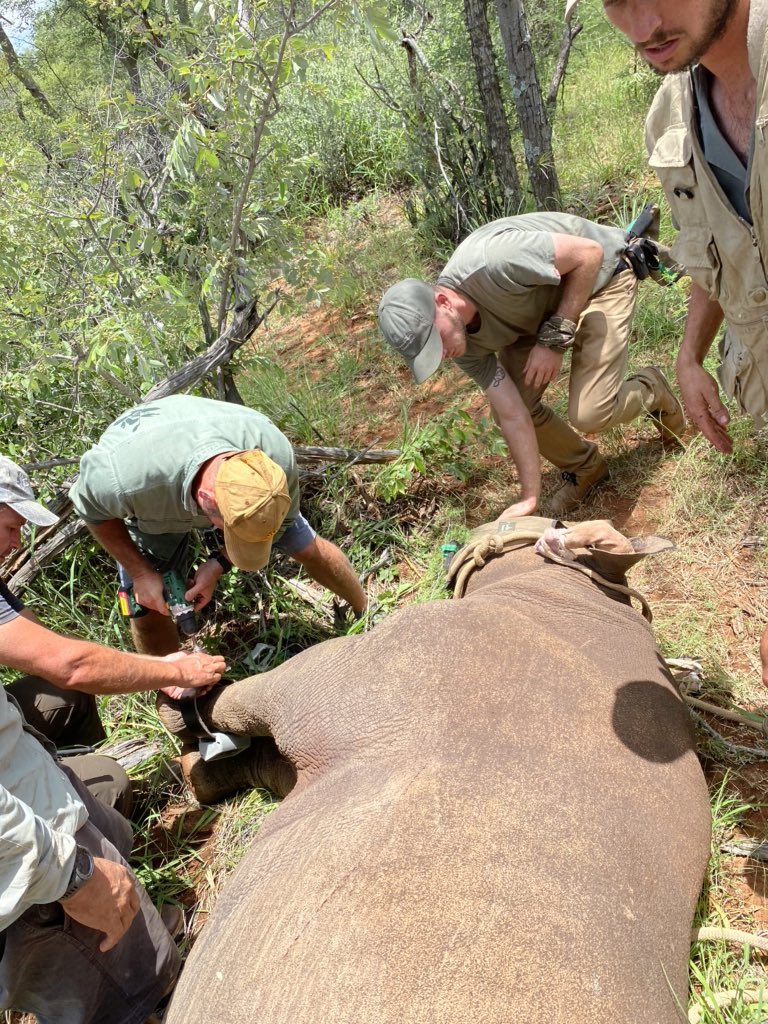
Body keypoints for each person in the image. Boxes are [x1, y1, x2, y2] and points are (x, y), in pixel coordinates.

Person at [571, 4, 768, 680]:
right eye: (616, 1)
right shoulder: (670, 120)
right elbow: (721, 252)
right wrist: (688, 357)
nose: (642, 23)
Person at [0, 457, 225, 1023]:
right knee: (136, 970)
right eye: (10, 525)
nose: (17, 540)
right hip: (19, 847)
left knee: (108, 809)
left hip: (19, 767)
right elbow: (71, 665)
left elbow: (48, 661)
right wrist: (70, 874)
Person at [378, 213, 684, 517]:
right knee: (514, 404)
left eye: (437, 340)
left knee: (590, 413)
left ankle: (652, 387)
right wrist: (529, 497)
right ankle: (585, 467)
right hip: (539, 314)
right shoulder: (460, 344)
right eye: (430, 352)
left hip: (601, 280)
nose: (441, 353)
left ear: (443, 302)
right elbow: (512, 414)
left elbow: (589, 254)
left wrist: (553, 340)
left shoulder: (493, 262)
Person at [69, 395, 367, 658]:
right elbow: (91, 511)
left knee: (306, 545)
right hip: (154, 492)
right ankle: (172, 689)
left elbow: (284, 523)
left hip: (208, 461)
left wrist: (219, 563)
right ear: (207, 501)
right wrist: (140, 572)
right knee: (145, 601)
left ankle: (365, 613)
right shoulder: (120, 482)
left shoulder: (273, 459)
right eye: (237, 535)